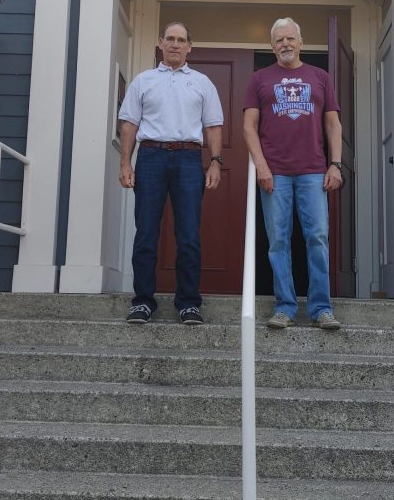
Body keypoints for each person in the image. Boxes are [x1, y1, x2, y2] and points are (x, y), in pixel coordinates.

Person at [119, 21, 224, 325]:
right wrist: (126, 163)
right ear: (160, 43)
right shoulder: (144, 80)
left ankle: (188, 303)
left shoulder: (202, 82)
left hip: (189, 159)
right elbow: (128, 124)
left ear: (190, 46)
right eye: (170, 39)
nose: (175, 44)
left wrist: (216, 161)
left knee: (189, 235)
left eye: (181, 40)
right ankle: (142, 301)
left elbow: (214, 125)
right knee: (146, 233)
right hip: (150, 157)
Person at [243, 17, 343, 330]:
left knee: (317, 238)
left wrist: (335, 163)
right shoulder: (259, 78)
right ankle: (284, 307)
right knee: (278, 241)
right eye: (278, 40)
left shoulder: (320, 77)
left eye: (290, 39)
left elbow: (332, 124)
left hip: (314, 170)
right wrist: (260, 164)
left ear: (300, 42)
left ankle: (321, 309)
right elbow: (249, 126)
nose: (285, 44)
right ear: (272, 46)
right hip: (276, 172)